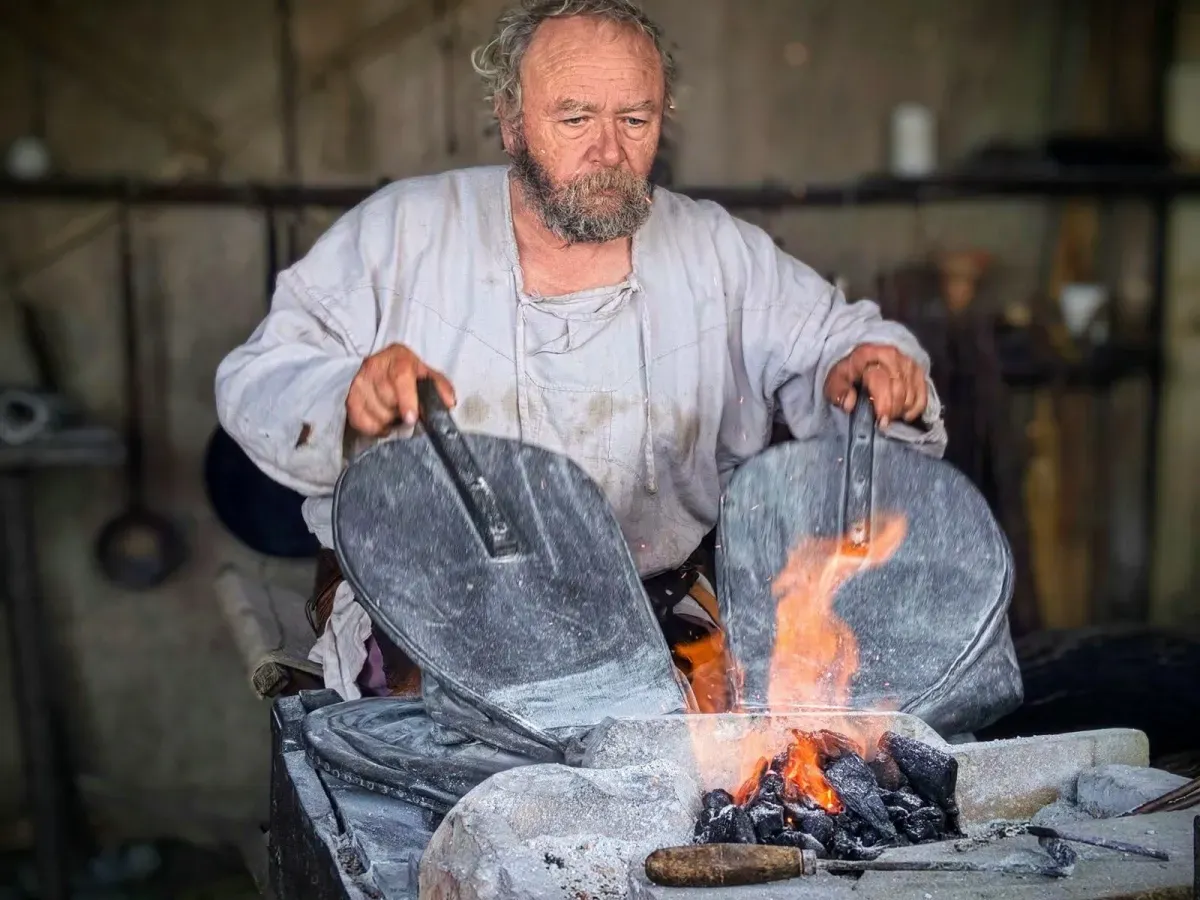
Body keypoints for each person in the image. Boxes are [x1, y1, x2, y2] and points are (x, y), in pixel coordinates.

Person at [214, 0, 946, 701]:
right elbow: (259, 376)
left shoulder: (717, 252)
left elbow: (836, 342)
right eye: (575, 119)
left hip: (653, 619)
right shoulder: (401, 234)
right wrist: (348, 397)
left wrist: (868, 363)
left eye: (635, 119)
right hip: (424, 626)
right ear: (511, 121)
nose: (609, 152)